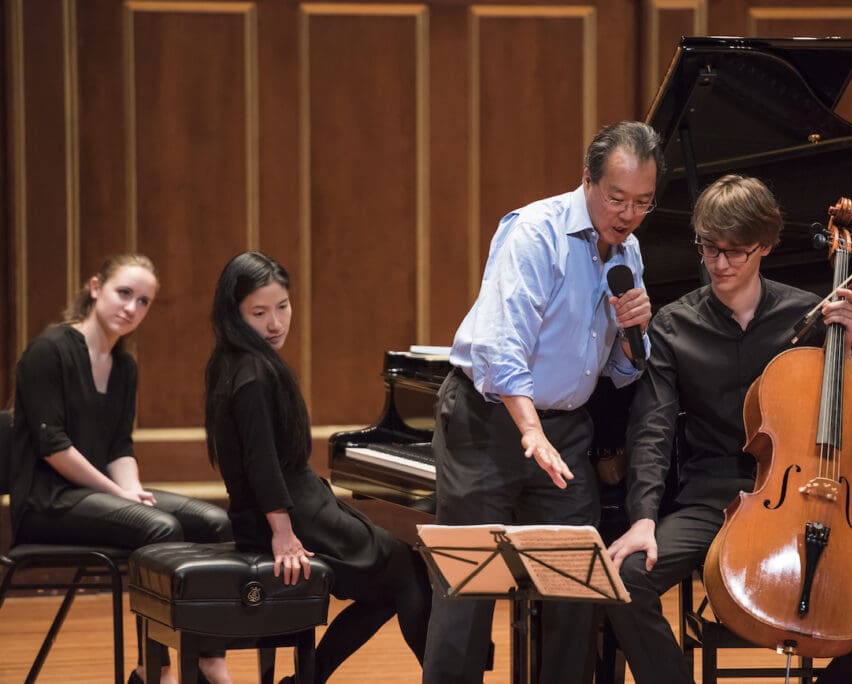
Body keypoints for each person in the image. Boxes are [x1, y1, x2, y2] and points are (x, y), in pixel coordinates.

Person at [605, 174, 852, 683]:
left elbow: (845, 427)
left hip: (807, 493)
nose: (719, 264)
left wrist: (842, 352)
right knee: (625, 579)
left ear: (766, 246)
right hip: (711, 500)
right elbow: (651, 431)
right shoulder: (672, 326)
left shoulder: (812, 316)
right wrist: (644, 518)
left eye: (735, 252)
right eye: (709, 249)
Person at [422, 121, 664, 684]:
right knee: (466, 590)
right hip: (488, 425)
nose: (628, 215)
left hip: (565, 430)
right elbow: (503, 346)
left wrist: (637, 333)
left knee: (574, 586)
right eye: (617, 198)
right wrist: (530, 431)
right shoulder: (536, 232)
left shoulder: (629, 252)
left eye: (643, 203)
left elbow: (621, 372)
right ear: (587, 180)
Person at [203, 251, 432, 683]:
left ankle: (309, 679)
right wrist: (284, 537)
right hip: (289, 516)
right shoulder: (253, 372)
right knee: (407, 572)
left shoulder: (231, 361)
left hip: (288, 505)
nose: (275, 323)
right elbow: (261, 463)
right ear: (234, 313)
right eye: (259, 313)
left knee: (395, 580)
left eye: (282, 307)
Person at [8, 253, 234, 684]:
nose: (132, 308)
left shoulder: (124, 366)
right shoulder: (48, 351)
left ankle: (209, 659)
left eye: (144, 301)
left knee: (216, 523)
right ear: (96, 288)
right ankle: (155, 669)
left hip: (97, 495)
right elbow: (53, 447)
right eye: (124, 293)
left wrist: (132, 491)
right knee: (159, 528)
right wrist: (120, 495)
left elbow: (119, 445)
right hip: (46, 503)